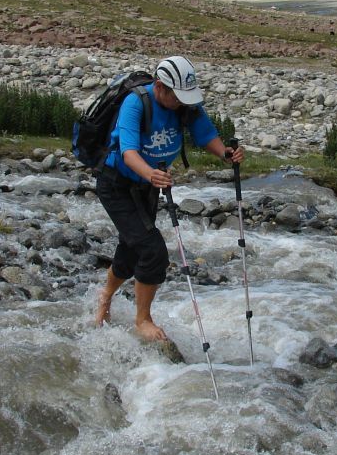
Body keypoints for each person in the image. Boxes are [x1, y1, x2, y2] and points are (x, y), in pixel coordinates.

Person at [94, 55, 244, 342]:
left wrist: (225, 153)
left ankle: (105, 296)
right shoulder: (136, 103)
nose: (182, 102)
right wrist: (151, 174)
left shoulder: (186, 104)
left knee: (132, 246)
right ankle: (143, 320)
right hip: (117, 185)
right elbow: (128, 152)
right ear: (160, 86)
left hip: (149, 185)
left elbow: (205, 136)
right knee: (153, 250)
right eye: (176, 96)